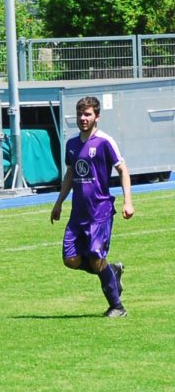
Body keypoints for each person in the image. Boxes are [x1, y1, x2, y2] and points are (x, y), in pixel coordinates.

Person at [50, 96, 134, 317]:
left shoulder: (105, 141)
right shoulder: (72, 144)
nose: (83, 118)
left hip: (100, 212)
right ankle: (111, 270)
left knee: (96, 258)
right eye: (80, 114)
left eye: (87, 114)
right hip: (78, 214)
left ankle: (117, 306)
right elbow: (70, 174)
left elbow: (123, 170)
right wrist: (59, 202)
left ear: (97, 116)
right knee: (70, 260)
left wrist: (128, 201)